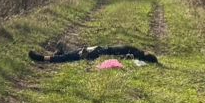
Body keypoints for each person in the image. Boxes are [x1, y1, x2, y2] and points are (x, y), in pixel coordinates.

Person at [29, 43, 160, 65]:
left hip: (100, 51)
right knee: (73, 55)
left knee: (72, 56)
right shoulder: (135, 54)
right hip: (100, 51)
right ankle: (53, 56)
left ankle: (45, 58)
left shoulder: (135, 52)